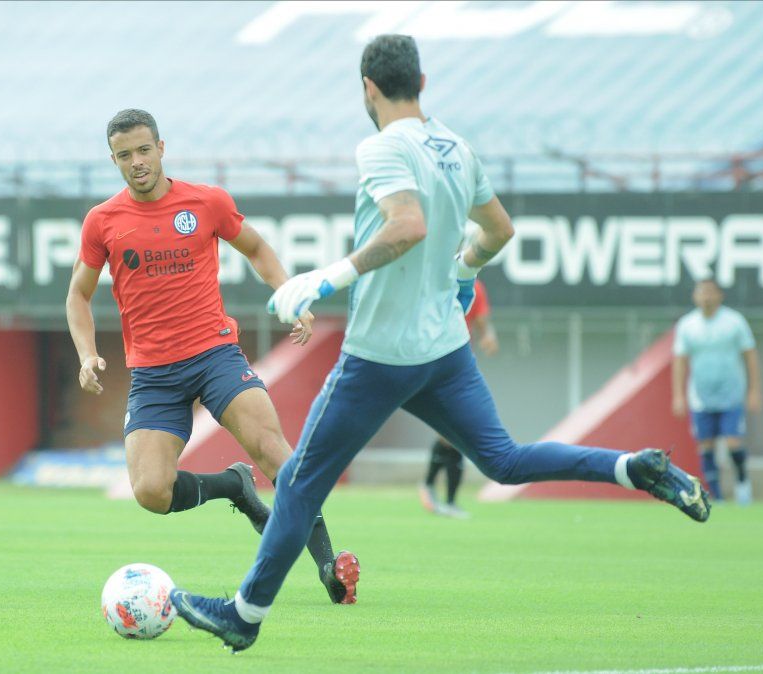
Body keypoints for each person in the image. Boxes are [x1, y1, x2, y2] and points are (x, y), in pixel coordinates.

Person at [169, 35, 710, 651]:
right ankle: (630, 467)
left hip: (379, 354)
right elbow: (499, 230)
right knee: (503, 460)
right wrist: (464, 273)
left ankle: (244, 614)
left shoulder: (379, 147)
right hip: (443, 352)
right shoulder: (457, 146)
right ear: (421, 83)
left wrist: (328, 277)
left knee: (297, 483)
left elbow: (408, 225)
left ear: (368, 89)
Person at [65, 109, 358, 604]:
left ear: (161, 147)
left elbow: (259, 249)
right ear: (112, 159)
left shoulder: (207, 202)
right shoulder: (103, 221)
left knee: (273, 449)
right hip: (154, 375)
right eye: (123, 155)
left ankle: (329, 563)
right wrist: (87, 354)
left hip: (214, 355)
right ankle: (234, 488)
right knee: (151, 492)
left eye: (143, 150)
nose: (136, 162)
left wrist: (291, 296)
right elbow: (77, 295)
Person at [672, 279, 762, 506]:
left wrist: (754, 390)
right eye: (701, 292)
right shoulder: (687, 325)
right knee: (706, 445)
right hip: (701, 398)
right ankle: (717, 496)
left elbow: (750, 355)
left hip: (731, 395)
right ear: (695, 296)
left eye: (711, 292)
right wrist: (679, 395)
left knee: (733, 443)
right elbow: (680, 361)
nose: (706, 297)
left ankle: (742, 484)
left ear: (720, 295)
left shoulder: (734, 322)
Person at [419, 279, 498, 519]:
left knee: (458, 431)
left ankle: (441, 494)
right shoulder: (434, 282)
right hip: (434, 361)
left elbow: (482, 321)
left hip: (460, 366)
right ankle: (434, 488)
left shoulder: (475, 287)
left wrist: (488, 336)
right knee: (455, 431)